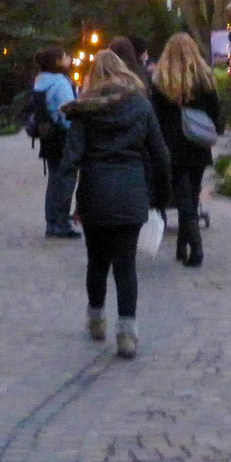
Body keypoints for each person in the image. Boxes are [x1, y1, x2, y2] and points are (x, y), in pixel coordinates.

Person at [58, 49, 171, 359]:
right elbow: (160, 153)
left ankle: (96, 319)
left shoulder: (85, 111)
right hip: (131, 193)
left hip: (95, 193)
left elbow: (71, 159)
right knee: (125, 267)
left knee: (96, 261)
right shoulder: (141, 106)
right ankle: (127, 333)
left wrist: (61, 203)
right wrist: (160, 196)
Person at [149, 33, 223, 267]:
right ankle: (183, 247)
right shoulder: (205, 79)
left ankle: (196, 249)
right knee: (191, 194)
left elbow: (156, 119)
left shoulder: (161, 81)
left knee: (183, 198)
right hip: (198, 145)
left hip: (172, 146)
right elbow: (216, 115)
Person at [33, 47, 81, 238]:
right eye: (66, 56)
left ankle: (51, 220)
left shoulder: (41, 81)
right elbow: (69, 110)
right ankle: (61, 222)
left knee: (54, 179)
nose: (69, 59)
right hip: (63, 136)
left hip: (49, 137)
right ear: (57, 62)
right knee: (66, 179)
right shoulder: (60, 83)